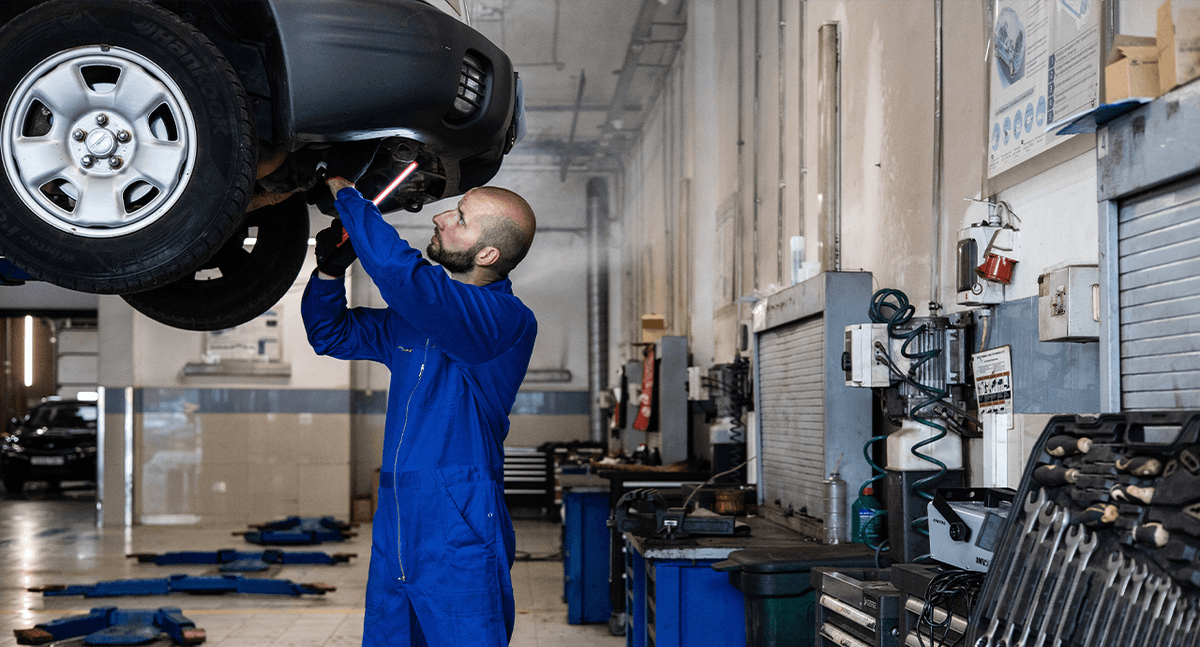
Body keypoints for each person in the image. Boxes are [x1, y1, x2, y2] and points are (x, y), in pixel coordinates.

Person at [301, 150, 537, 646]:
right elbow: (332, 334)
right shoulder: (416, 320)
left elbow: (405, 277)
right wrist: (327, 272)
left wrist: (348, 195)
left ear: (487, 254)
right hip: (398, 515)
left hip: (460, 516)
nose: (440, 215)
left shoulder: (506, 321)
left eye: (460, 217)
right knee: (391, 637)